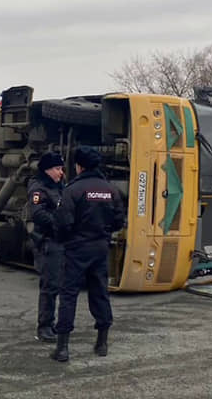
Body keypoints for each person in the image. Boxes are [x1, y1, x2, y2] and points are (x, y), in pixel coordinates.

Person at [51, 146, 127, 362]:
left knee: (68, 295)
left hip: (76, 249)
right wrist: (102, 235)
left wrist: (64, 239)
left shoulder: (73, 190)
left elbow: (63, 222)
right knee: (100, 292)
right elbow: (118, 221)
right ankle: (102, 343)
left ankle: (62, 348)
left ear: (79, 166)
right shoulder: (111, 190)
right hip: (101, 248)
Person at [26, 152, 65, 343]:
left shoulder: (58, 187)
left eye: (61, 168)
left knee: (58, 285)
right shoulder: (38, 188)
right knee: (49, 286)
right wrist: (60, 224)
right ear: (47, 170)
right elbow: (38, 214)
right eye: (57, 169)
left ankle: (53, 324)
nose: (61, 173)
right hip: (48, 242)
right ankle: (45, 326)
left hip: (59, 241)